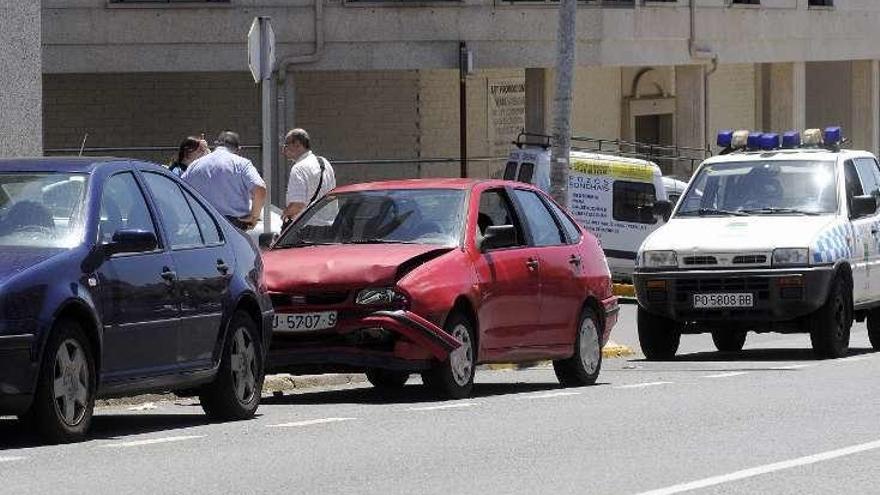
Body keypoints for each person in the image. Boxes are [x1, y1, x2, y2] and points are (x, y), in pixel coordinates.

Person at [181, 130, 266, 230]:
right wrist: (254, 216)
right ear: (238, 150)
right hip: (234, 225)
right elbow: (260, 188)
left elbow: (179, 191)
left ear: (216, 144)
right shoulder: (242, 164)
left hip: (202, 227)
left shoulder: (195, 165)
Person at [281, 128, 336, 223]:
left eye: (286, 145)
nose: (284, 150)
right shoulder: (324, 162)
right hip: (331, 225)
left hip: (309, 228)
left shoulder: (298, 168)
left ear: (297, 144)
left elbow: (298, 204)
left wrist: (285, 214)